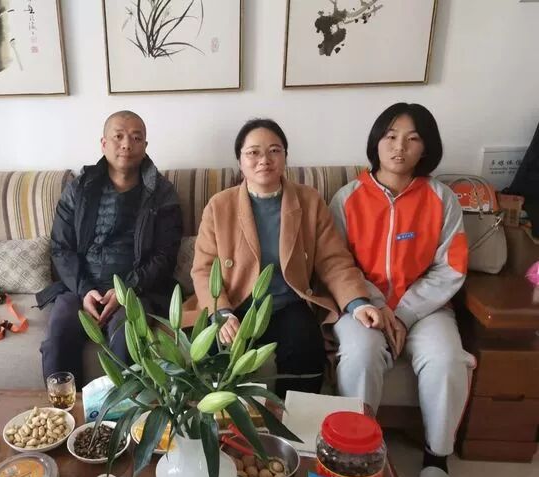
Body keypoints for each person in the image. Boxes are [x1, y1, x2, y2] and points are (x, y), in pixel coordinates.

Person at [330, 102, 475, 477]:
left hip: (426, 307)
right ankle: (356, 452)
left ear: (425, 148)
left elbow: (452, 266)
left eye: (412, 139)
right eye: (391, 136)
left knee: (446, 358)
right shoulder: (347, 198)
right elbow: (335, 263)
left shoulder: (441, 198)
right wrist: (374, 305)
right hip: (363, 306)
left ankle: (437, 457)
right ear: (376, 142)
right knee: (360, 354)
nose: (399, 147)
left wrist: (405, 311)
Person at [184, 118, 382, 397]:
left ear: (285, 156)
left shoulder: (309, 200)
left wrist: (357, 302)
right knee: (215, 352)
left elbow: (333, 260)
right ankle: (232, 423)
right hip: (235, 304)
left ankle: (292, 422)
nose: (264, 160)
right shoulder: (219, 205)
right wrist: (222, 313)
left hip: (288, 304)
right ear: (240, 160)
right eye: (253, 152)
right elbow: (203, 269)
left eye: (274, 151)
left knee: (306, 349)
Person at [38, 110, 183, 385]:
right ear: (103, 144)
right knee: (58, 337)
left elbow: (165, 256)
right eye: (118, 136)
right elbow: (60, 248)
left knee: (126, 337)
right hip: (81, 287)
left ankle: (123, 411)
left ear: (145, 146)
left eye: (136, 138)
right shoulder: (79, 189)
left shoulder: (162, 193)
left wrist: (125, 290)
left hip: (137, 290)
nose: (127, 144)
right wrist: (84, 290)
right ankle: (65, 409)